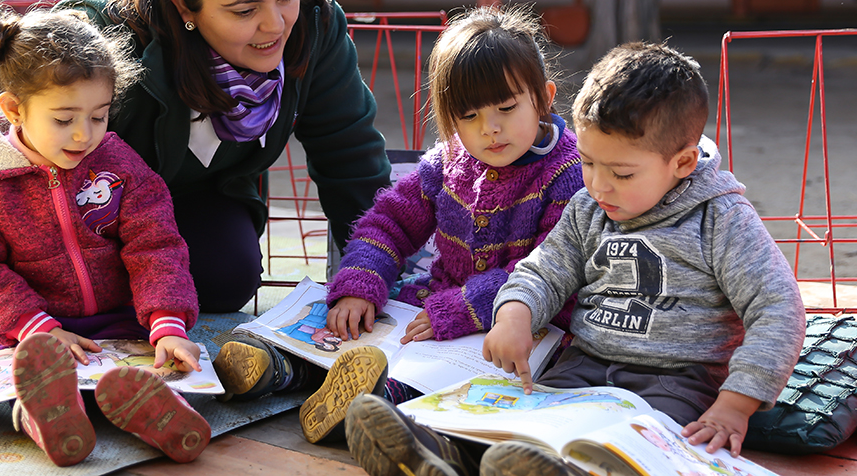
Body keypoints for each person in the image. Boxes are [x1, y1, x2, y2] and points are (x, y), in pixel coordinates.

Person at [0, 0, 390, 358]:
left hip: (197, 198)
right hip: (77, 200)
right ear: (185, 6)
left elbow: (351, 156)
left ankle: (126, 308)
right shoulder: (97, 32)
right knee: (60, 280)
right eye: (244, 10)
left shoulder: (314, 22)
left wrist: (370, 272)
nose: (275, 24)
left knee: (224, 275)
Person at [343, 42, 807, 476]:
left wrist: (736, 401)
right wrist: (514, 313)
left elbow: (779, 310)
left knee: (630, 447)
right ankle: (439, 453)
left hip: (675, 383)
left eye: (621, 173)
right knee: (520, 423)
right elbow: (544, 270)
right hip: (581, 366)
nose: (599, 185)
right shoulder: (589, 206)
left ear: (682, 163)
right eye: (587, 162)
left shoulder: (721, 219)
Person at [212, 4, 584, 444]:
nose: (490, 129)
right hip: (432, 307)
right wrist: (359, 284)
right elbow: (388, 222)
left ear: (543, 97)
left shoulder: (568, 173)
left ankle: (369, 405)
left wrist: (465, 307)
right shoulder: (448, 163)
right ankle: (279, 368)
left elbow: (555, 272)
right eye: (468, 116)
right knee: (354, 327)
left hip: (518, 325)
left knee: (427, 378)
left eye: (506, 107)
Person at [0, 3, 211, 467]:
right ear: (13, 109)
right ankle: (37, 417)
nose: (84, 135)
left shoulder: (119, 165)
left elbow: (156, 243)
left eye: (99, 116)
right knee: (24, 380)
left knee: (154, 368)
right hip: (26, 332)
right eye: (64, 119)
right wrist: (35, 328)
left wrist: (167, 323)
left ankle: (166, 413)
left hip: (117, 320)